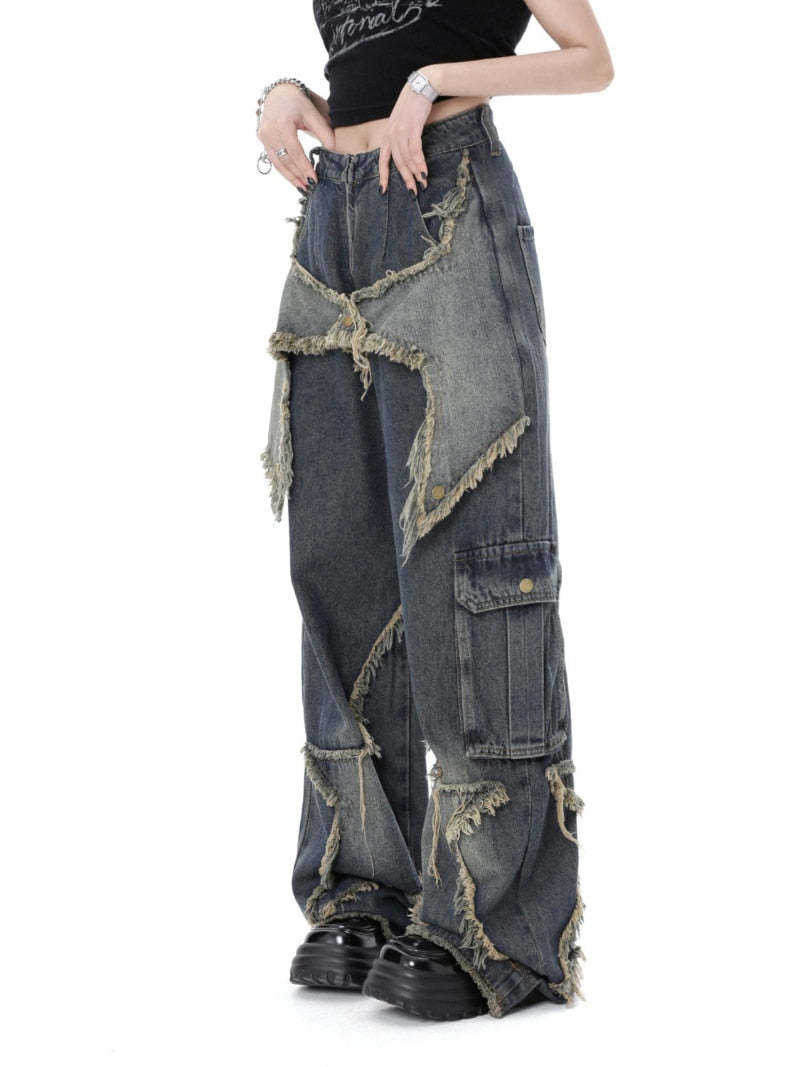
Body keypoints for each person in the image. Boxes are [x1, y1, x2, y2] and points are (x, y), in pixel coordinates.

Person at [256, 0, 613, 1021]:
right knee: (339, 561)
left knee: (474, 554)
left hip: (445, 199)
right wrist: (290, 96)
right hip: (334, 224)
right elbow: (368, 65)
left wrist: (437, 83)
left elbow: (590, 60)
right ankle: (363, 885)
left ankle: (498, 919)